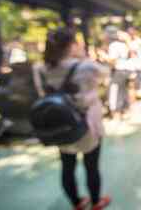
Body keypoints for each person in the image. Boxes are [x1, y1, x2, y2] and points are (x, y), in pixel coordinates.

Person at [33, 27, 110, 210]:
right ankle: (96, 202)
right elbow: (106, 74)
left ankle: (77, 202)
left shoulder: (40, 68)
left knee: (67, 166)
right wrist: (83, 56)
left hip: (60, 123)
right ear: (71, 45)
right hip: (87, 124)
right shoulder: (85, 66)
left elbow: (42, 93)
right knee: (92, 166)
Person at [104, 26, 131, 120]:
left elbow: (112, 60)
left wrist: (104, 57)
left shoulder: (113, 45)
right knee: (123, 90)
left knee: (114, 90)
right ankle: (125, 109)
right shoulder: (123, 45)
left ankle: (116, 112)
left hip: (118, 70)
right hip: (126, 70)